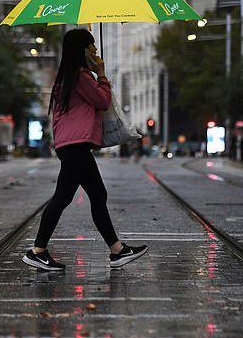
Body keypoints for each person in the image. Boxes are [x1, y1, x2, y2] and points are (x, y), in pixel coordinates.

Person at [22, 29, 148, 271]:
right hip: (76, 145)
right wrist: (101, 74)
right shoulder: (80, 76)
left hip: (74, 145)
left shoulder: (71, 76)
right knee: (63, 197)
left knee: (98, 195)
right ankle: (37, 250)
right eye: (92, 47)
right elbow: (102, 101)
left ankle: (117, 250)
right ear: (82, 50)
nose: (96, 51)